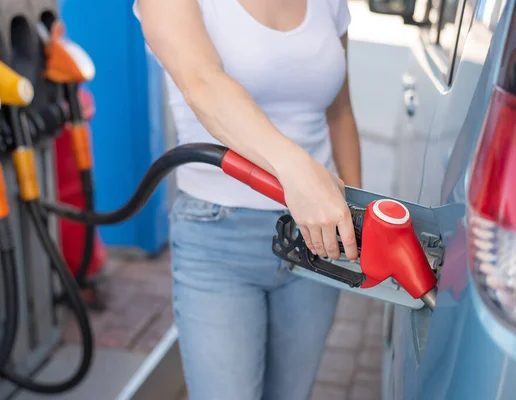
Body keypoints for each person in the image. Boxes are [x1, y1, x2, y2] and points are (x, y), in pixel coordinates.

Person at [133, 0, 361, 398]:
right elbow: (204, 84)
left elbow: (340, 113)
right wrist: (295, 170)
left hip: (318, 241)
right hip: (219, 239)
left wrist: (357, 221)